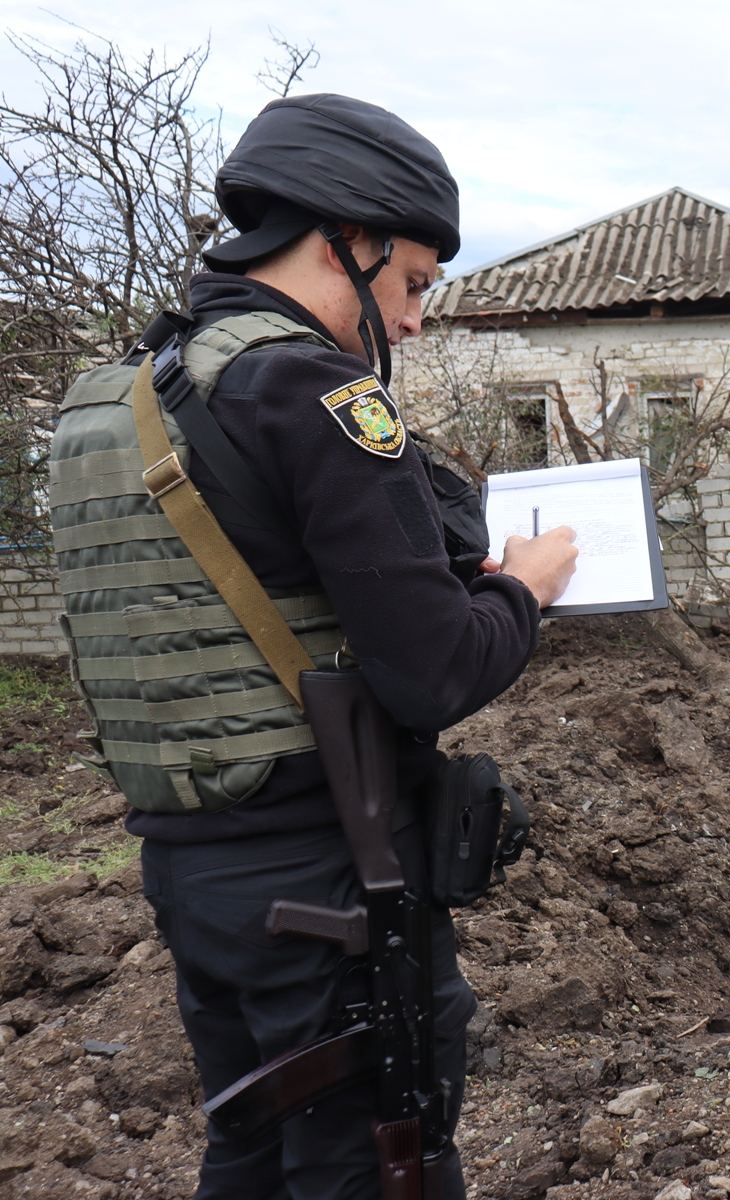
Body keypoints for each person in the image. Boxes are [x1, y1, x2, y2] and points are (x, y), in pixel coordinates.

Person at [50, 94, 577, 1199]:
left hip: (194, 877)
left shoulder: (120, 396)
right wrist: (523, 594)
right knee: (377, 1169)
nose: (418, 320)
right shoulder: (313, 390)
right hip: (330, 887)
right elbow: (433, 671)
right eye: (415, 284)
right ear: (351, 240)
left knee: (248, 1155)